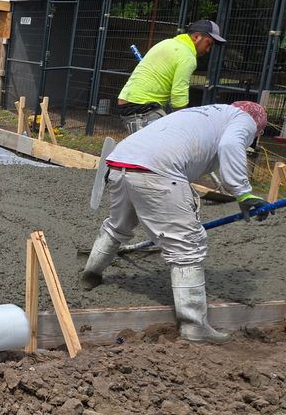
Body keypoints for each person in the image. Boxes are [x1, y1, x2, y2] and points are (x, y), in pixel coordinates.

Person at [80, 101, 271, 344]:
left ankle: (91, 273)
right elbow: (231, 144)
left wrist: (240, 194)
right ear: (258, 128)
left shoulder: (210, 111)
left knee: (118, 225)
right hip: (157, 169)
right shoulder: (244, 119)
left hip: (121, 161)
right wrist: (243, 192)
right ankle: (194, 326)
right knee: (187, 247)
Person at [116, 20, 225, 133]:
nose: (208, 50)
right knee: (163, 145)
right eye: (208, 43)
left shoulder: (168, 43)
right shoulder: (187, 56)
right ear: (196, 36)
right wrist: (186, 123)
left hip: (130, 102)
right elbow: (178, 97)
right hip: (142, 108)